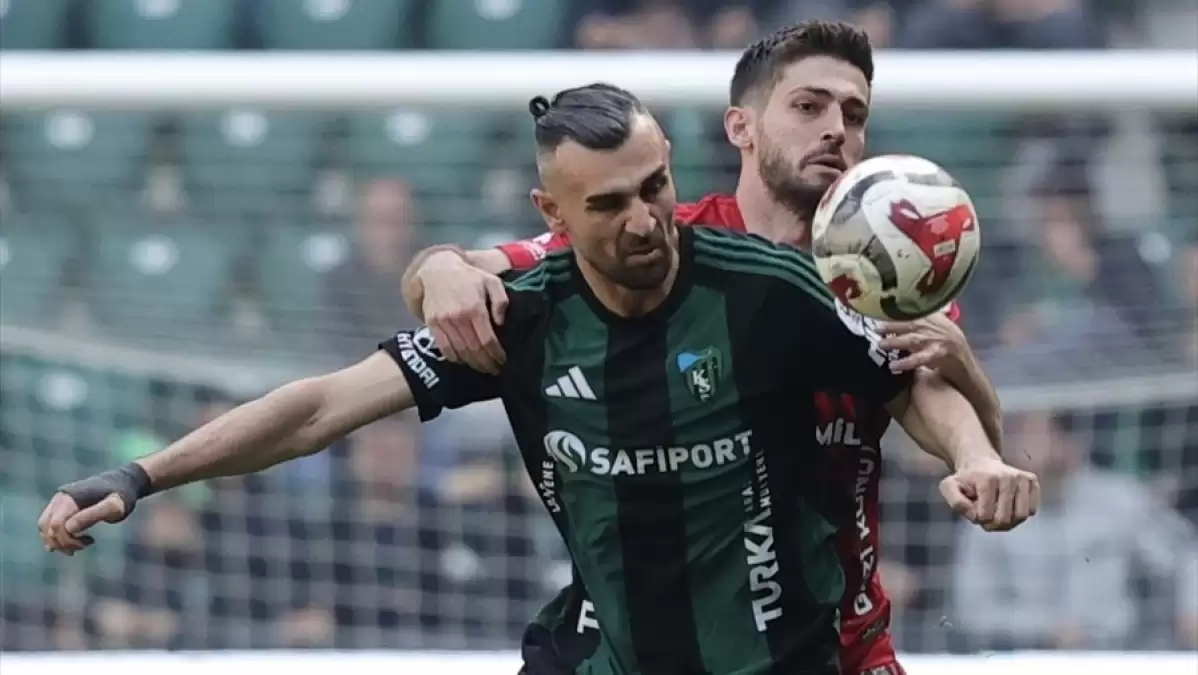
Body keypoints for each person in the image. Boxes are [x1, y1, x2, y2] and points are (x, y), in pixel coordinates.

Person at [40, 84, 1035, 675]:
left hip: (775, 660)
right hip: (601, 657)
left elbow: (909, 376)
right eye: (608, 205)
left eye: (654, 187)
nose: (644, 221)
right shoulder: (520, 319)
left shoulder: (764, 291)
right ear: (551, 212)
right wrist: (139, 476)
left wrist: (976, 456)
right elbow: (320, 408)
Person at [399, 20, 1004, 675]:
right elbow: (471, 272)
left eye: (853, 115)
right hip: (685, 643)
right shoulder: (660, 251)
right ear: (740, 127)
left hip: (842, 638)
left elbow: (979, 463)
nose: (835, 129)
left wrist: (965, 368)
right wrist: (438, 268)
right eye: (809, 106)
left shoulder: (891, 280)